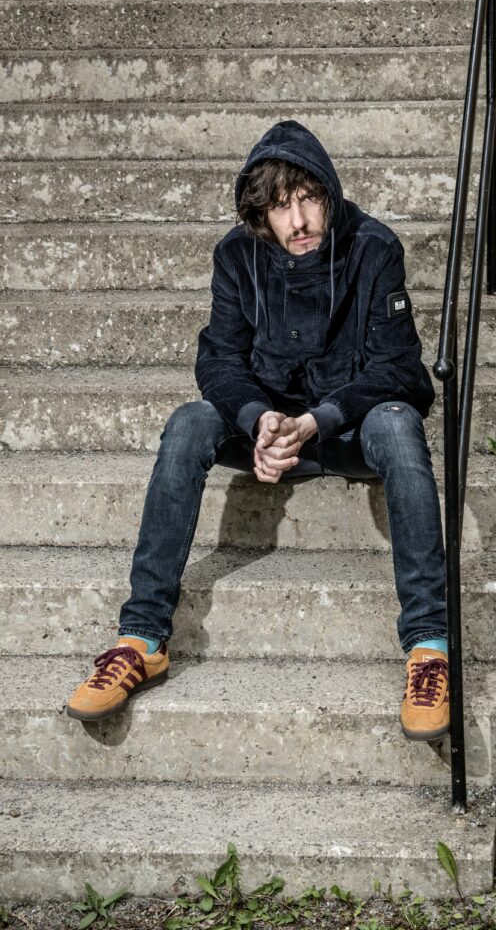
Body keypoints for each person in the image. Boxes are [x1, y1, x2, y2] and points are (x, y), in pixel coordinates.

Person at [66, 120, 450, 741]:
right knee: (189, 422)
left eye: (309, 199)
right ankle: (141, 639)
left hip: (347, 433)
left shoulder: (374, 247)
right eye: (280, 207)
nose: (298, 221)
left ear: (329, 194)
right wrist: (257, 419)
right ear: (260, 214)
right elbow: (219, 359)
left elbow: (399, 369)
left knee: (399, 423)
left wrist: (318, 420)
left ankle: (430, 647)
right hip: (267, 433)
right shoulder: (236, 256)